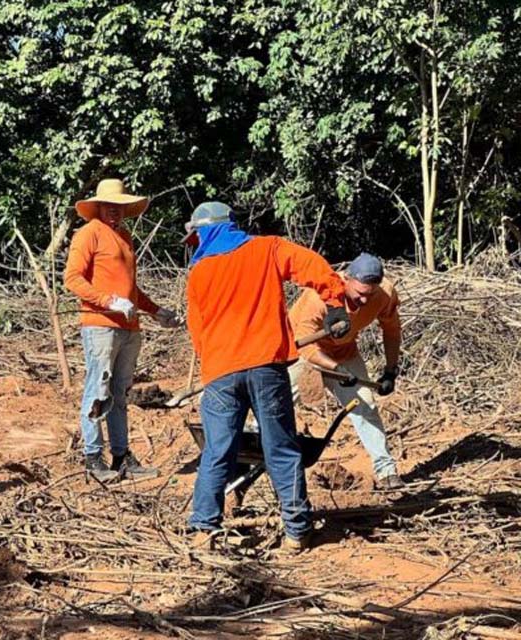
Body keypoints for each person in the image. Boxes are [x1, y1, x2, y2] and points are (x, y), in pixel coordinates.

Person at [184, 201, 350, 551]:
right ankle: (297, 531)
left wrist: (214, 361)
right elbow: (314, 266)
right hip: (266, 368)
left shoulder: (199, 272)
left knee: (217, 451)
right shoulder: (268, 248)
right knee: (281, 448)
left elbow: (196, 329)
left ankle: (203, 529)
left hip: (220, 374)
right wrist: (334, 304)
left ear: (204, 232)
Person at [64, 179, 180, 483]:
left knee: (119, 393)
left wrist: (156, 311)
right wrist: (108, 301)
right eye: (109, 206)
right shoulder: (88, 234)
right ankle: (92, 457)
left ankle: (121, 456)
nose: (114, 211)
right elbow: (72, 278)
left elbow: (130, 289)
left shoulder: (124, 236)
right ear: (98, 207)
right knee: (98, 390)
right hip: (101, 324)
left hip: (129, 326)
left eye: (119, 207)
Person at [287, 252, 404, 489]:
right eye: (359, 294)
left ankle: (387, 471)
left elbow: (392, 331)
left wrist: (390, 371)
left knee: (365, 407)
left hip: (344, 353)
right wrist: (337, 369)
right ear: (346, 280)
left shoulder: (383, 294)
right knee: (277, 404)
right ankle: (251, 454)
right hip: (303, 355)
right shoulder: (318, 298)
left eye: (369, 295)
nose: (363, 301)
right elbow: (305, 345)